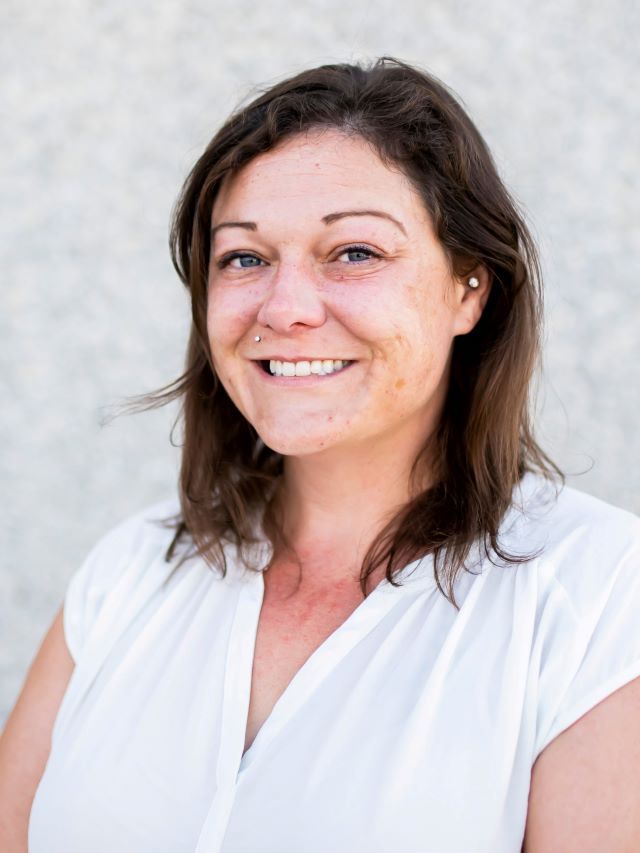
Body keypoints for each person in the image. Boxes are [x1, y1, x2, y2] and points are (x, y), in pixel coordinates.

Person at [1, 57, 639, 853]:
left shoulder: (601, 595)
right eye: (244, 257)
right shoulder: (127, 574)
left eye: (355, 253)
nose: (286, 307)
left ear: (469, 288)